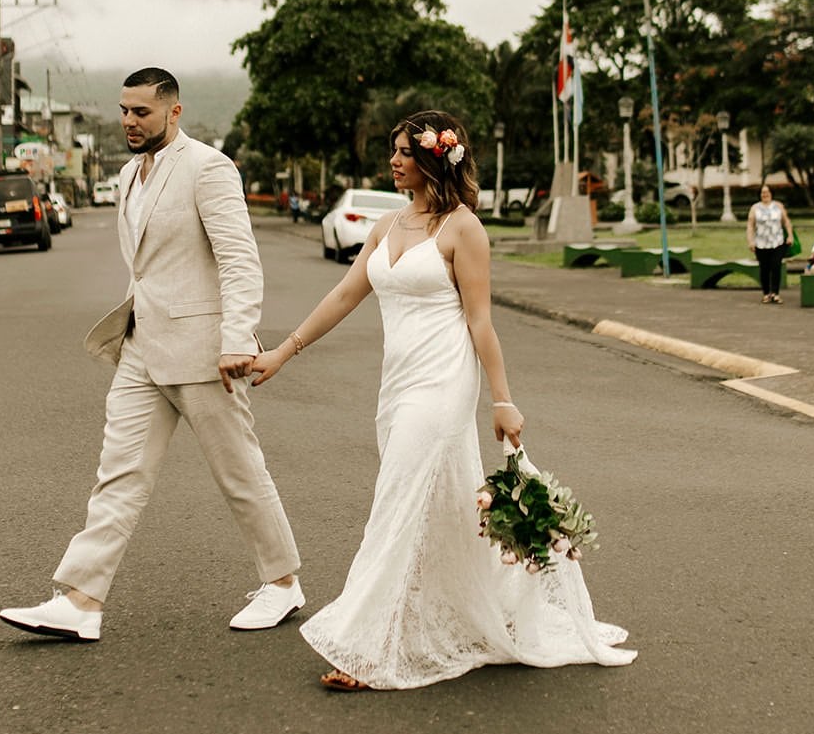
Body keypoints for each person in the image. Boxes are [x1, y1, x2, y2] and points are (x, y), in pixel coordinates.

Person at [249, 110, 636, 690]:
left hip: (444, 382)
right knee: (440, 505)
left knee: (396, 502)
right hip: (398, 384)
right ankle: (475, 612)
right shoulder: (386, 225)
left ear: (434, 157)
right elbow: (345, 294)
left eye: (405, 151)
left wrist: (502, 401)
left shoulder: (463, 229)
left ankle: (367, 647)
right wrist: (284, 351)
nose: (394, 160)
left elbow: (481, 322)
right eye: (393, 150)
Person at [0, 67, 302, 642]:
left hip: (204, 349)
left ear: (174, 111)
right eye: (124, 111)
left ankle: (283, 584)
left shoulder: (208, 168)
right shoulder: (128, 174)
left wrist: (238, 339)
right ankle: (81, 601)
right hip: (141, 345)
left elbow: (239, 261)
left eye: (141, 112)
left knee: (238, 472)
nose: (129, 122)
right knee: (118, 473)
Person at [746, 184, 793, 304]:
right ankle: (766, 293)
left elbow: (786, 221)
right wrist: (750, 241)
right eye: (762, 192)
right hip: (761, 243)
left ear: (771, 193)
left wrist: (790, 235)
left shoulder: (778, 206)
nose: (765, 194)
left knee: (776, 266)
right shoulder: (755, 208)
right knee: (764, 268)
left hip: (777, 241)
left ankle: (776, 293)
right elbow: (750, 225)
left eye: (767, 192)